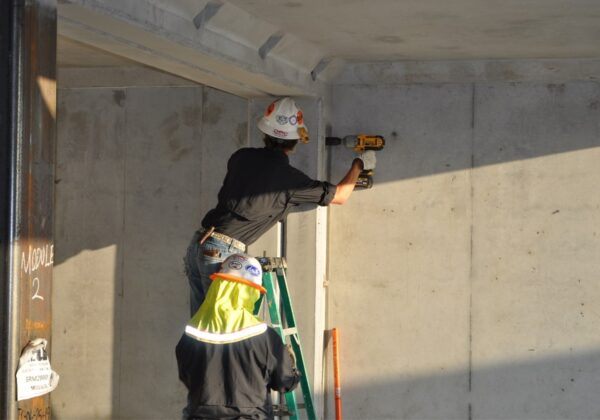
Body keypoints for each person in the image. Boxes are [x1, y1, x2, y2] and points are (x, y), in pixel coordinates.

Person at [184, 97, 375, 314]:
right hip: (222, 253)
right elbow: (340, 195)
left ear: (265, 133)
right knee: (222, 328)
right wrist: (359, 164)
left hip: (199, 245)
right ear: (295, 141)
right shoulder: (290, 181)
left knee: (201, 325)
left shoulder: (241, 157)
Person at [176, 253, 300, 419]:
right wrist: (291, 366)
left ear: (218, 286)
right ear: (251, 292)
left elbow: (186, 377)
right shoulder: (265, 338)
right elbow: (284, 382)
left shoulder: (190, 334)